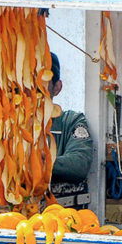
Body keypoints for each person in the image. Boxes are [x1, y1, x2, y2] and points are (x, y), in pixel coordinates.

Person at [48, 52, 94, 208]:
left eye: (41, 82)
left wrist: (39, 163)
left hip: (62, 215)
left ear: (57, 87)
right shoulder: (10, 124)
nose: (33, 89)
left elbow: (79, 164)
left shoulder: (71, 121)